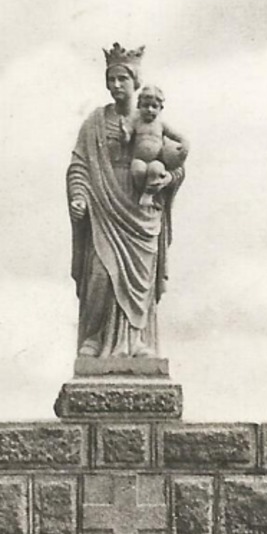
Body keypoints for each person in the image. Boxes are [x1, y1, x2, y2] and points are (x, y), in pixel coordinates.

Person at [67, 44, 186, 363]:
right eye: (111, 79)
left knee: (140, 281)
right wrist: (79, 196)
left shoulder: (152, 118)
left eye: (122, 79)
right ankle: (95, 338)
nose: (116, 85)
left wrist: (167, 180)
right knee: (101, 276)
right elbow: (79, 164)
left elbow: (176, 161)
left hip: (141, 207)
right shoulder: (95, 122)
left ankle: (136, 342)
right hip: (104, 206)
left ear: (135, 81)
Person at [128, 85, 190, 209]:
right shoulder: (137, 123)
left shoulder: (161, 125)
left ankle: (148, 194)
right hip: (139, 159)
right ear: (139, 106)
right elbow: (128, 137)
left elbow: (177, 136)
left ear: (160, 108)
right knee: (137, 170)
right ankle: (140, 193)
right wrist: (125, 134)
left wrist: (185, 144)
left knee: (156, 170)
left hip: (155, 160)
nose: (150, 110)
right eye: (146, 106)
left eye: (154, 106)